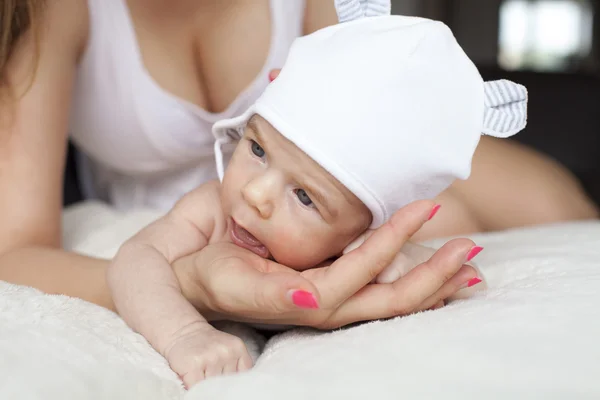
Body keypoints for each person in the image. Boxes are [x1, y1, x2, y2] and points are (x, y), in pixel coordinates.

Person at [0, 0, 596, 346]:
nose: (254, 195)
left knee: (548, 211)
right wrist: (187, 287)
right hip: (203, 226)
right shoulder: (54, 10)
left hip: (333, 188)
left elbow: (355, 120)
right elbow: (13, 248)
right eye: (251, 148)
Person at [108, 12, 528, 387]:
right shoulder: (211, 209)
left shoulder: (356, 247)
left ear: (363, 227)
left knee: (461, 217)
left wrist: (400, 261)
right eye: (257, 150)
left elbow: (464, 287)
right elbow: (136, 258)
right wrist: (184, 334)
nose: (255, 194)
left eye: (304, 196)